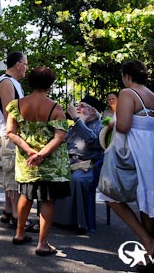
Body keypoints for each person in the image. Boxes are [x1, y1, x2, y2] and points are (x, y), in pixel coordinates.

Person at [100, 60, 154, 258]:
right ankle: (148, 254)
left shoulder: (128, 93)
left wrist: (112, 124)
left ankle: (147, 242)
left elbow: (123, 126)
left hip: (136, 149)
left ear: (127, 76)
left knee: (110, 195)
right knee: (148, 199)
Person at [6, 66, 70, 256]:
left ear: (30, 82)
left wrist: (29, 151)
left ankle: (19, 233)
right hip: (50, 165)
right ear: (50, 84)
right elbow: (60, 137)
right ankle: (42, 244)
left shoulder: (15, 106)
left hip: (27, 163)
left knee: (25, 196)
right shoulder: (55, 108)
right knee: (47, 201)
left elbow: (10, 132)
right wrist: (41, 154)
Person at [0, 51, 39, 233]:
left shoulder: (11, 83)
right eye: (26, 64)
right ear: (18, 64)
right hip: (8, 134)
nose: (27, 68)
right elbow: (10, 113)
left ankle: (7, 211)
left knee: (9, 173)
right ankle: (17, 217)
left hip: (8, 133)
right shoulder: (6, 83)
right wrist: (21, 136)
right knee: (13, 174)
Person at [54, 96, 105, 233]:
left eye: (82, 106)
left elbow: (92, 141)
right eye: (78, 106)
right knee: (49, 176)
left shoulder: (100, 127)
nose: (78, 109)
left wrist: (76, 120)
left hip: (88, 166)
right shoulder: (76, 125)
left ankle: (77, 222)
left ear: (92, 111)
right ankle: (53, 218)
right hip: (69, 163)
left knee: (76, 179)